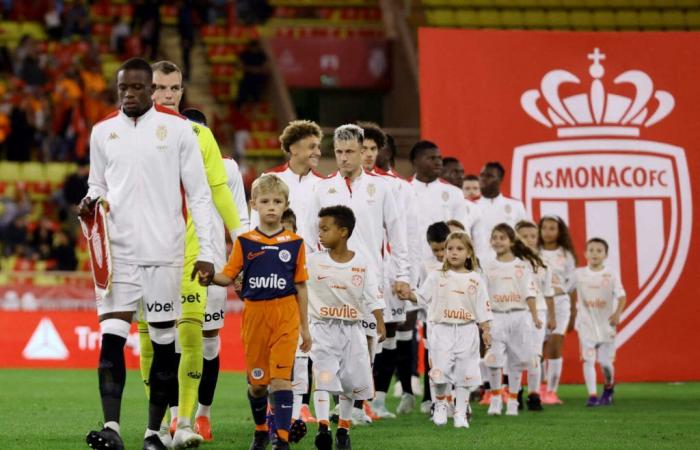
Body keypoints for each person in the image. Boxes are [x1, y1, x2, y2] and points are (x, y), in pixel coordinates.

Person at [82, 57, 216, 450]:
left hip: (165, 254)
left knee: (162, 344)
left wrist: (206, 250)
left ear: (152, 90)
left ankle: (154, 433)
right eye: (123, 88)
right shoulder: (102, 132)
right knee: (111, 339)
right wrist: (90, 202)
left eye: (138, 87)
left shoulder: (177, 131)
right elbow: (97, 184)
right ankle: (112, 427)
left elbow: (200, 193)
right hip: (118, 254)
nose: (129, 94)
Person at [141, 61, 241, 447]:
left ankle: (185, 423)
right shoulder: (125, 134)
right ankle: (160, 421)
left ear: (182, 91)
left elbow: (219, 190)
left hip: (193, 252)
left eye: (174, 89)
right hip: (147, 253)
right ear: (147, 91)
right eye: (160, 88)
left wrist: (242, 238)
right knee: (152, 341)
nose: (168, 95)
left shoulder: (200, 134)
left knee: (191, 335)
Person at [303, 124, 410, 421]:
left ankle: (355, 404)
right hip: (331, 281)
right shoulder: (322, 188)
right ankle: (341, 403)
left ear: (363, 151)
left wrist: (402, 275)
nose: (344, 158)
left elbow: (398, 236)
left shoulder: (383, 188)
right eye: (339, 152)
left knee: (366, 343)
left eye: (350, 151)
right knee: (331, 342)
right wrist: (312, 272)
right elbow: (310, 235)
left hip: (369, 277)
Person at [203, 173, 311, 450]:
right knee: (258, 385)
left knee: (281, 381)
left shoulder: (295, 243)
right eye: (265, 201)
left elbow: (301, 287)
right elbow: (228, 277)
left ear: (286, 204)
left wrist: (305, 328)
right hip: (255, 317)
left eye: (277, 201)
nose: (271, 206)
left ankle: (282, 440)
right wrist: (208, 276)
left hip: (285, 315)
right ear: (254, 205)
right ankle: (262, 429)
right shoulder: (245, 242)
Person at [181, 106, 251, 442]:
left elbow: (238, 216)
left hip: (210, 268)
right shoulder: (163, 166)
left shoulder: (225, 169)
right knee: (173, 346)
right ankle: (174, 418)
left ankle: (203, 414)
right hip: (169, 267)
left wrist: (244, 263)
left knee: (208, 345)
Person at [253, 120, 324, 425]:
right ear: (293, 149)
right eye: (312, 147)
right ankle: (273, 400)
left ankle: (302, 403)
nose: (318, 152)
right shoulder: (270, 180)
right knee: (274, 339)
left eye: (318, 147)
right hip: (273, 269)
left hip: (310, 272)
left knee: (307, 339)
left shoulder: (324, 185)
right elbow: (251, 224)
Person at [307, 205, 386, 450]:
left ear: (343, 232)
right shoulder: (312, 261)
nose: (319, 234)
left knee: (349, 383)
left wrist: (380, 323)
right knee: (324, 377)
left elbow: (372, 295)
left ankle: (343, 428)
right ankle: (322, 427)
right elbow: (295, 285)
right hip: (321, 329)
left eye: (325, 229)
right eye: (319, 229)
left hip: (352, 330)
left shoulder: (361, 264)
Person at [359, 122, 419, 418]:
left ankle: (377, 400)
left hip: (386, 274)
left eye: (374, 148)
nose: (369, 154)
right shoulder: (337, 185)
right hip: (352, 275)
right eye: (364, 148)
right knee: (357, 339)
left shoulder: (395, 186)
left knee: (387, 335)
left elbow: (404, 235)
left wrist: (402, 276)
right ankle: (356, 401)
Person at [407, 231, 493, 428]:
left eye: (459, 249)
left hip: (467, 331)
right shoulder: (437, 275)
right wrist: (408, 295)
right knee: (440, 371)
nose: (454, 253)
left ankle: (460, 413)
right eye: (450, 249)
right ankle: (440, 405)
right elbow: (422, 296)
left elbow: (483, 309)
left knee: (465, 373)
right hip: (441, 330)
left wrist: (486, 330)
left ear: (469, 253)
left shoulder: (476, 279)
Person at [483, 223, 542, 417]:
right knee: (493, 360)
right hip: (496, 317)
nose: (498, 241)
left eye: (502, 238)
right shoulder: (488, 266)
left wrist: (534, 315)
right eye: (495, 238)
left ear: (510, 241)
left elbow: (529, 292)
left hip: (519, 316)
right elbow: (483, 295)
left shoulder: (521, 266)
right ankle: (496, 398)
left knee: (516, 361)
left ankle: (513, 400)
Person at [574, 238, 626, 407]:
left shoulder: (611, 274)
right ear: (585, 253)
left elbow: (622, 296)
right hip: (586, 324)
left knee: (604, 363)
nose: (594, 253)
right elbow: (564, 289)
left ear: (606, 254)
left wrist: (617, 313)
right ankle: (592, 395)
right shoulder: (579, 274)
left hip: (606, 325)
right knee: (588, 360)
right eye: (591, 250)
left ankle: (609, 387)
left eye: (599, 250)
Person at [409, 141, 476, 261]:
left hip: (444, 262)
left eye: (440, 158)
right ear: (416, 162)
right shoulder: (401, 190)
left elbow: (462, 233)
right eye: (432, 158)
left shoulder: (454, 193)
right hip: (410, 262)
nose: (438, 162)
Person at [515, 220, 556, 411]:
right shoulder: (509, 262)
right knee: (514, 355)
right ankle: (515, 392)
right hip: (515, 311)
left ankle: (534, 394)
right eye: (524, 236)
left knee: (535, 354)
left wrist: (552, 316)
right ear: (515, 237)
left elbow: (548, 291)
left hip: (538, 312)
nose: (529, 240)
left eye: (532, 236)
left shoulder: (544, 262)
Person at [538, 215, 577, 405]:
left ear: (560, 231)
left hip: (561, 302)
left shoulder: (566, 255)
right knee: (540, 347)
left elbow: (573, 285)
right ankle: (538, 389)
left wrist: (574, 314)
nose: (548, 232)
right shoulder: (534, 251)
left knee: (555, 345)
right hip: (540, 303)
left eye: (552, 228)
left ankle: (552, 391)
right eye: (544, 228)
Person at [417, 221, 451, 414]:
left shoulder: (460, 261)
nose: (439, 254)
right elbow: (422, 294)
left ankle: (453, 402)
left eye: (443, 249)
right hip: (433, 322)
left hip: (456, 321)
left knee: (454, 362)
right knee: (434, 362)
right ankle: (435, 403)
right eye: (435, 250)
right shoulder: (426, 265)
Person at [476, 162, 528, 262]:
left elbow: (523, 237)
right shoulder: (469, 204)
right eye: (482, 175)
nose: (483, 179)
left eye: (489, 176)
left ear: (500, 179)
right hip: (478, 263)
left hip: (508, 263)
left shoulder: (516, 205)